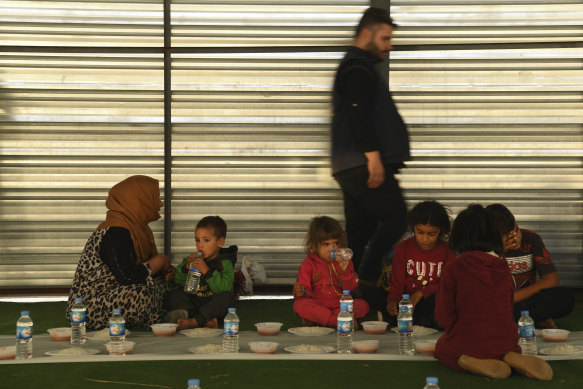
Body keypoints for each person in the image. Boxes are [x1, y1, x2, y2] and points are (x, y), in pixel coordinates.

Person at [331, 6, 410, 283]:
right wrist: (373, 158)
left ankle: (347, 292)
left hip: (350, 163)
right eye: (385, 39)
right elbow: (358, 113)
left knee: (360, 231)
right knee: (396, 218)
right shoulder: (357, 67)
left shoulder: (356, 65)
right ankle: (363, 280)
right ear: (367, 34)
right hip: (360, 162)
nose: (389, 46)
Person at [435, 204, 553, 380]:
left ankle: (467, 361)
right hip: (506, 342)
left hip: (469, 343)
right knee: (501, 341)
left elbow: (443, 315)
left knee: (441, 349)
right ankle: (509, 356)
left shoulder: (454, 268)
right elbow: (507, 304)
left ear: (458, 236)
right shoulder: (502, 265)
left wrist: (452, 331)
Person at [67, 175, 174, 329]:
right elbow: (128, 277)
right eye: (155, 197)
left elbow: (144, 273)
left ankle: (158, 316)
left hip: (117, 292)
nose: (161, 203)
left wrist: (165, 272)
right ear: (139, 200)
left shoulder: (139, 229)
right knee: (140, 296)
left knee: (171, 285)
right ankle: (158, 316)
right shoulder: (115, 232)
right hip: (88, 306)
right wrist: (160, 261)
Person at [486, 203, 575, 328]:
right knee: (482, 306)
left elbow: (551, 280)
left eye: (516, 230)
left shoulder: (531, 239)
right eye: (508, 237)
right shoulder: (486, 247)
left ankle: (513, 320)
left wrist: (512, 298)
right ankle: (530, 320)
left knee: (564, 298)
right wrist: (498, 253)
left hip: (523, 300)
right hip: (496, 303)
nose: (516, 238)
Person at [385, 200, 455, 328]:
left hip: (432, 303)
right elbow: (396, 284)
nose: (425, 239)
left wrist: (422, 293)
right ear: (413, 228)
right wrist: (392, 302)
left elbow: (448, 282)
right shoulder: (403, 248)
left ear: (441, 230)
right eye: (420, 232)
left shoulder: (448, 250)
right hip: (407, 303)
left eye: (431, 234)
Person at [293, 216, 370, 327]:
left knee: (363, 305)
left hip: (339, 305)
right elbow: (304, 288)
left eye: (335, 243)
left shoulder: (344, 261)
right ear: (315, 244)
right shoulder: (309, 263)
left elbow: (351, 288)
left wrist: (345, 272)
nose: (332, 249)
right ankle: (337, 321)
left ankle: (321, 320)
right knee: (300, 305)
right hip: (318, 304)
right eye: (326, 244)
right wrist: (301, 290)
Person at [163, 216, 237, 330]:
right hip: (196, 302)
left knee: (227, 297)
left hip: (213, 305)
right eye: (197, 240)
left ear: (220, 242)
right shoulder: (193, 259)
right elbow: (179, 281)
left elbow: (225, 288)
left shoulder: (225, 263)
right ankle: (205, 322)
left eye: (206, 240)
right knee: (173, 295)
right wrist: (186, 268)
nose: (200, 245)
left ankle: (194, 321)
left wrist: (207, 271)